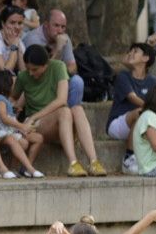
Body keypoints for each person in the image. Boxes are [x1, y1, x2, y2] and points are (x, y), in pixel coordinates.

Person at [17, 44, 105, 178]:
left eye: (35, 69)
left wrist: (33, 117)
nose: (30, 73)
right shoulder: (23, 76)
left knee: (77, 109)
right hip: (40, 126)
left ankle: (94, 161)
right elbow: (13, 98)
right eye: (28, 69)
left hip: (52, 120)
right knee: (65, 112)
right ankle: (73, 163)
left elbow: (62, 100)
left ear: (46, 65)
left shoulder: (58, 67)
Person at [107, 42, 156, 141]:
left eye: (135, 51)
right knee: (141, 113)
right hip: (117, 124)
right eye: (129, 52)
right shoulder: (123, 76)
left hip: (144, 120)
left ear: (145, 58)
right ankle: (129, 154)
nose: (130, 54)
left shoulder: (153, 81)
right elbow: (132, 98)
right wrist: (152, 109)